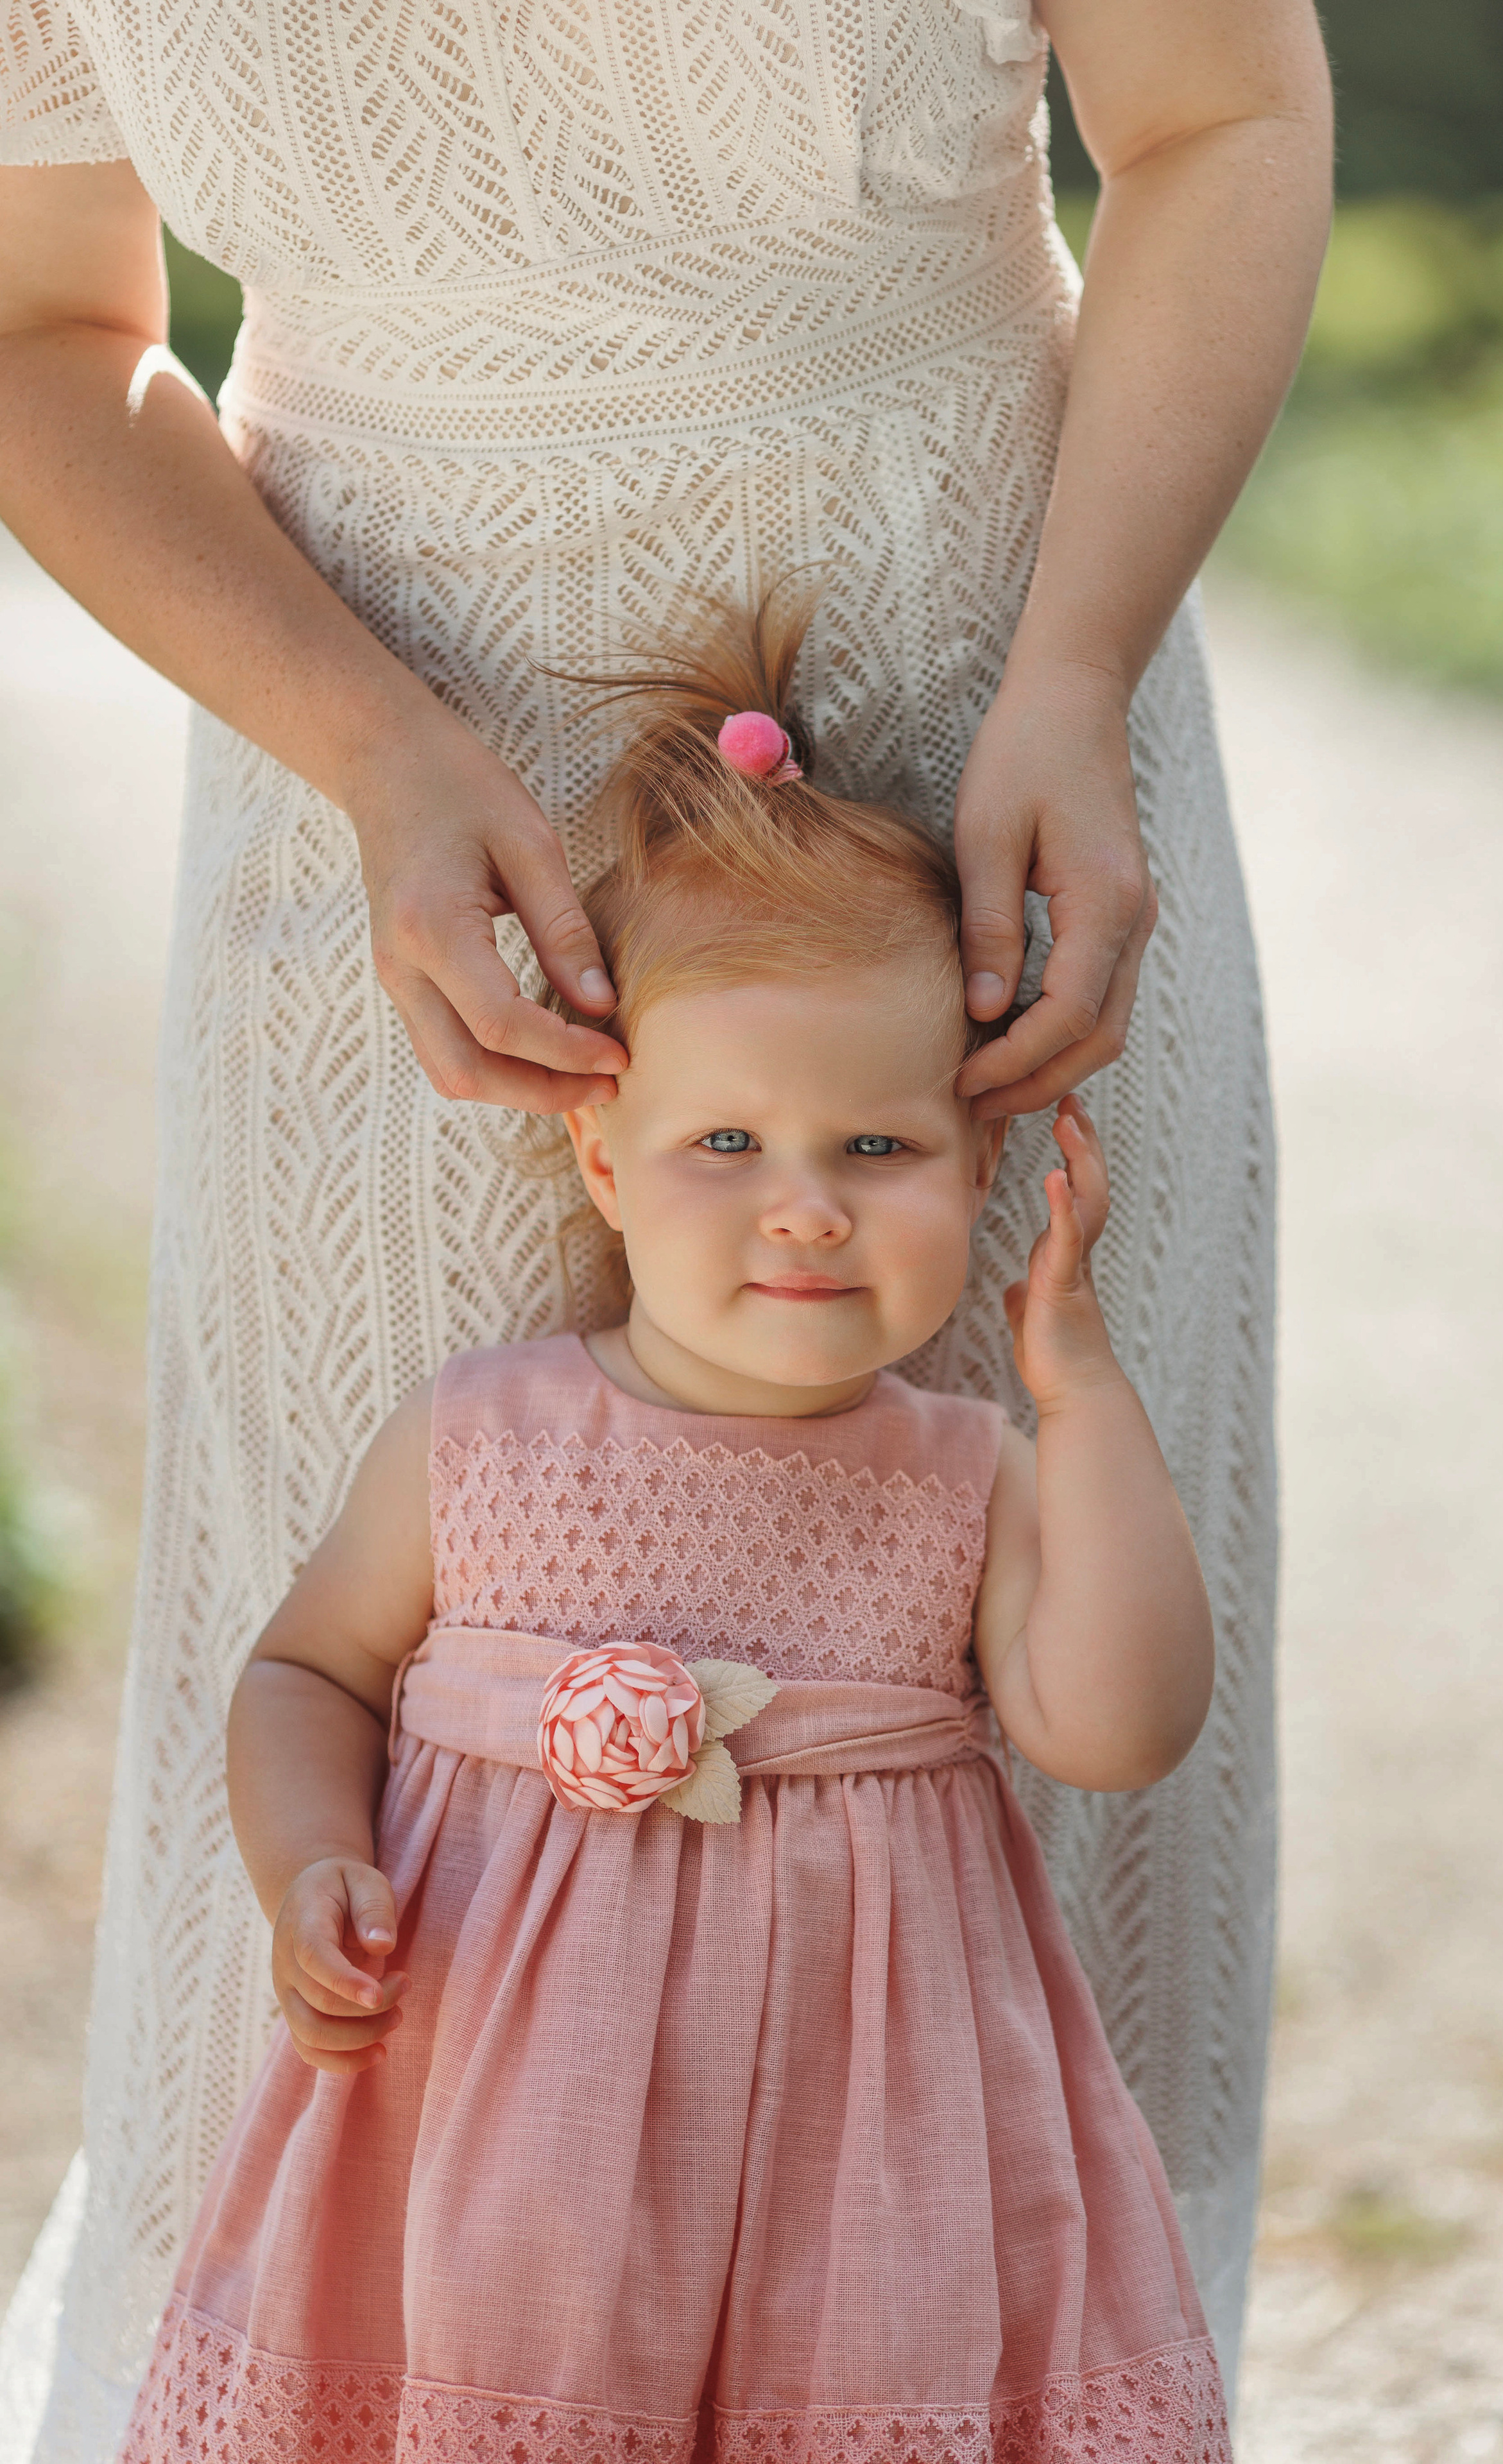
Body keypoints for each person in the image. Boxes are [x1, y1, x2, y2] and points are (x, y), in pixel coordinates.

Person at [0, 1, 1332, 2450]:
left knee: (1013, 1666)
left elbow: (1227, 113)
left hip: (982, 718)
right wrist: (379, 753)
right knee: (402, 1705)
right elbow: (37, 330)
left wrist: (1080, 667)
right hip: (372, 758)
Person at [119, 613, 1233, 2458]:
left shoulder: (969, 1472)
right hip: (506, 2152)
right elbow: (310, 1668)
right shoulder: (484, 1437)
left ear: (981, 1171)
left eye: (879, 1153)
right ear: (607, 1160)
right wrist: (308, 1855)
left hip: (858, 2159)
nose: (804, 1213)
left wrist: (1085, 1392)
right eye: (729, 1146)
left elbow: (1118, 1730)